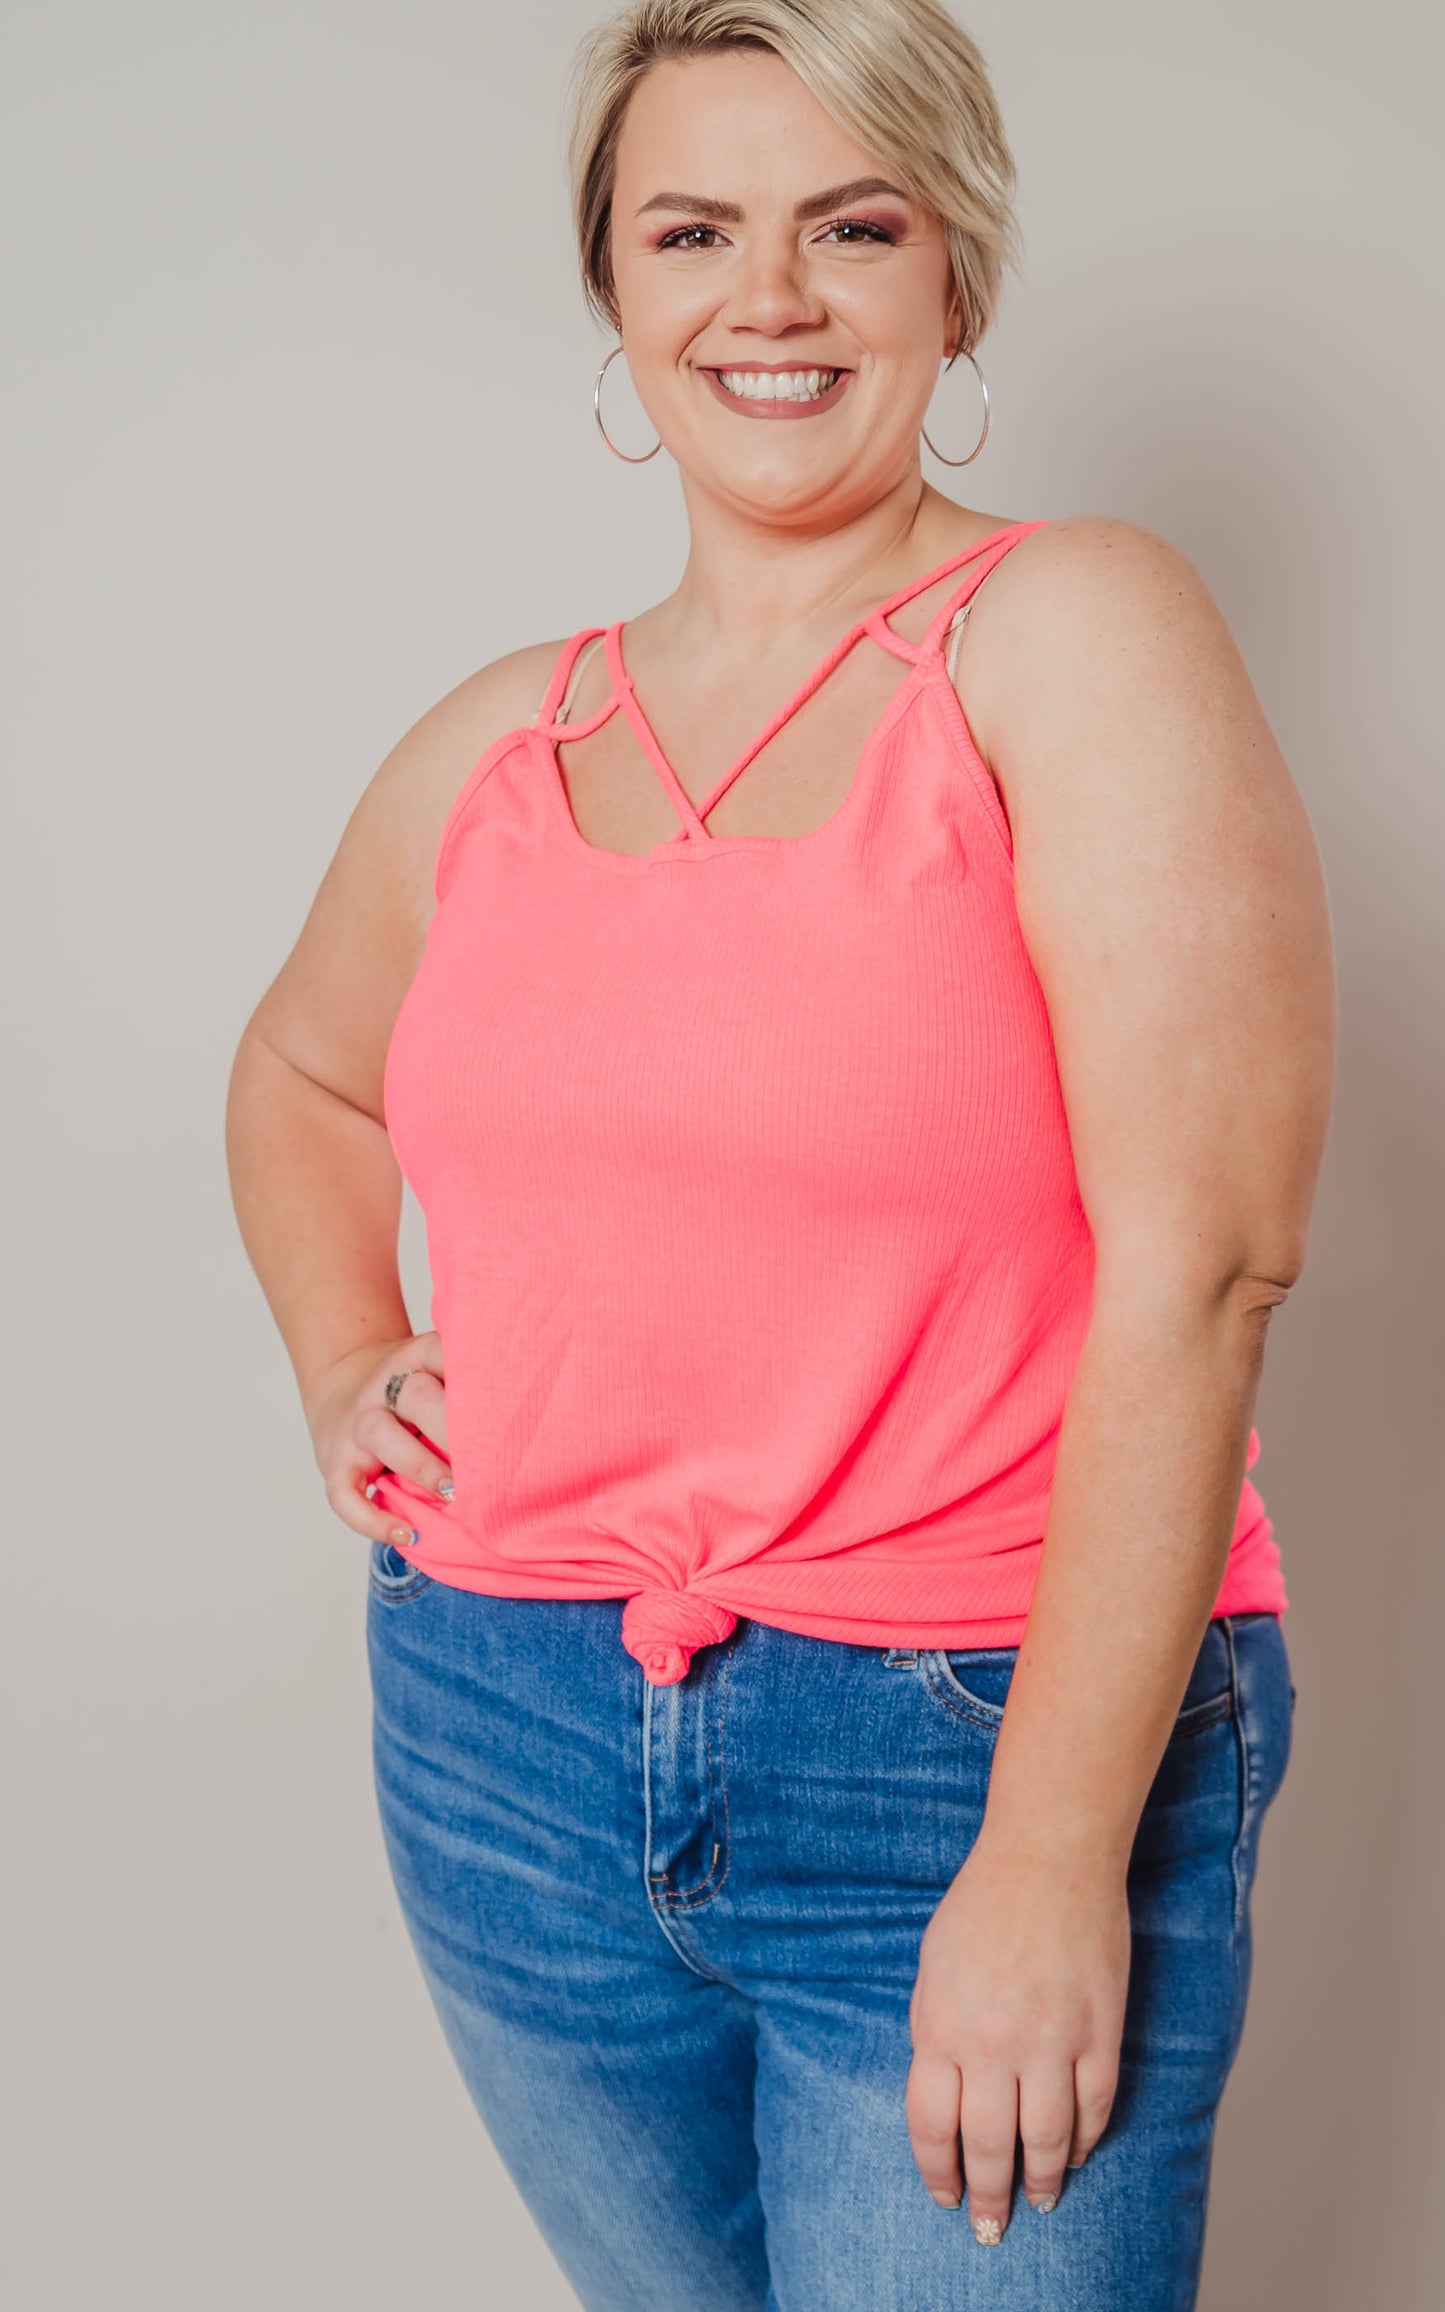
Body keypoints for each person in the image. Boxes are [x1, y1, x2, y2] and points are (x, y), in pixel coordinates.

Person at [225, 3, 1336, 2304]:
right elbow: (301, 1075)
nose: (774, 297)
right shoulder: (495, 744)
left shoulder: (1069, 635)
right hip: (502, 1732)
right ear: (616, 294)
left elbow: (1208, 1255)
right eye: (695, 229)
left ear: (962, 276)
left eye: (855, 226)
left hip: (967, 1739)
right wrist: (352, 1351)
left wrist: (1050, 1854)